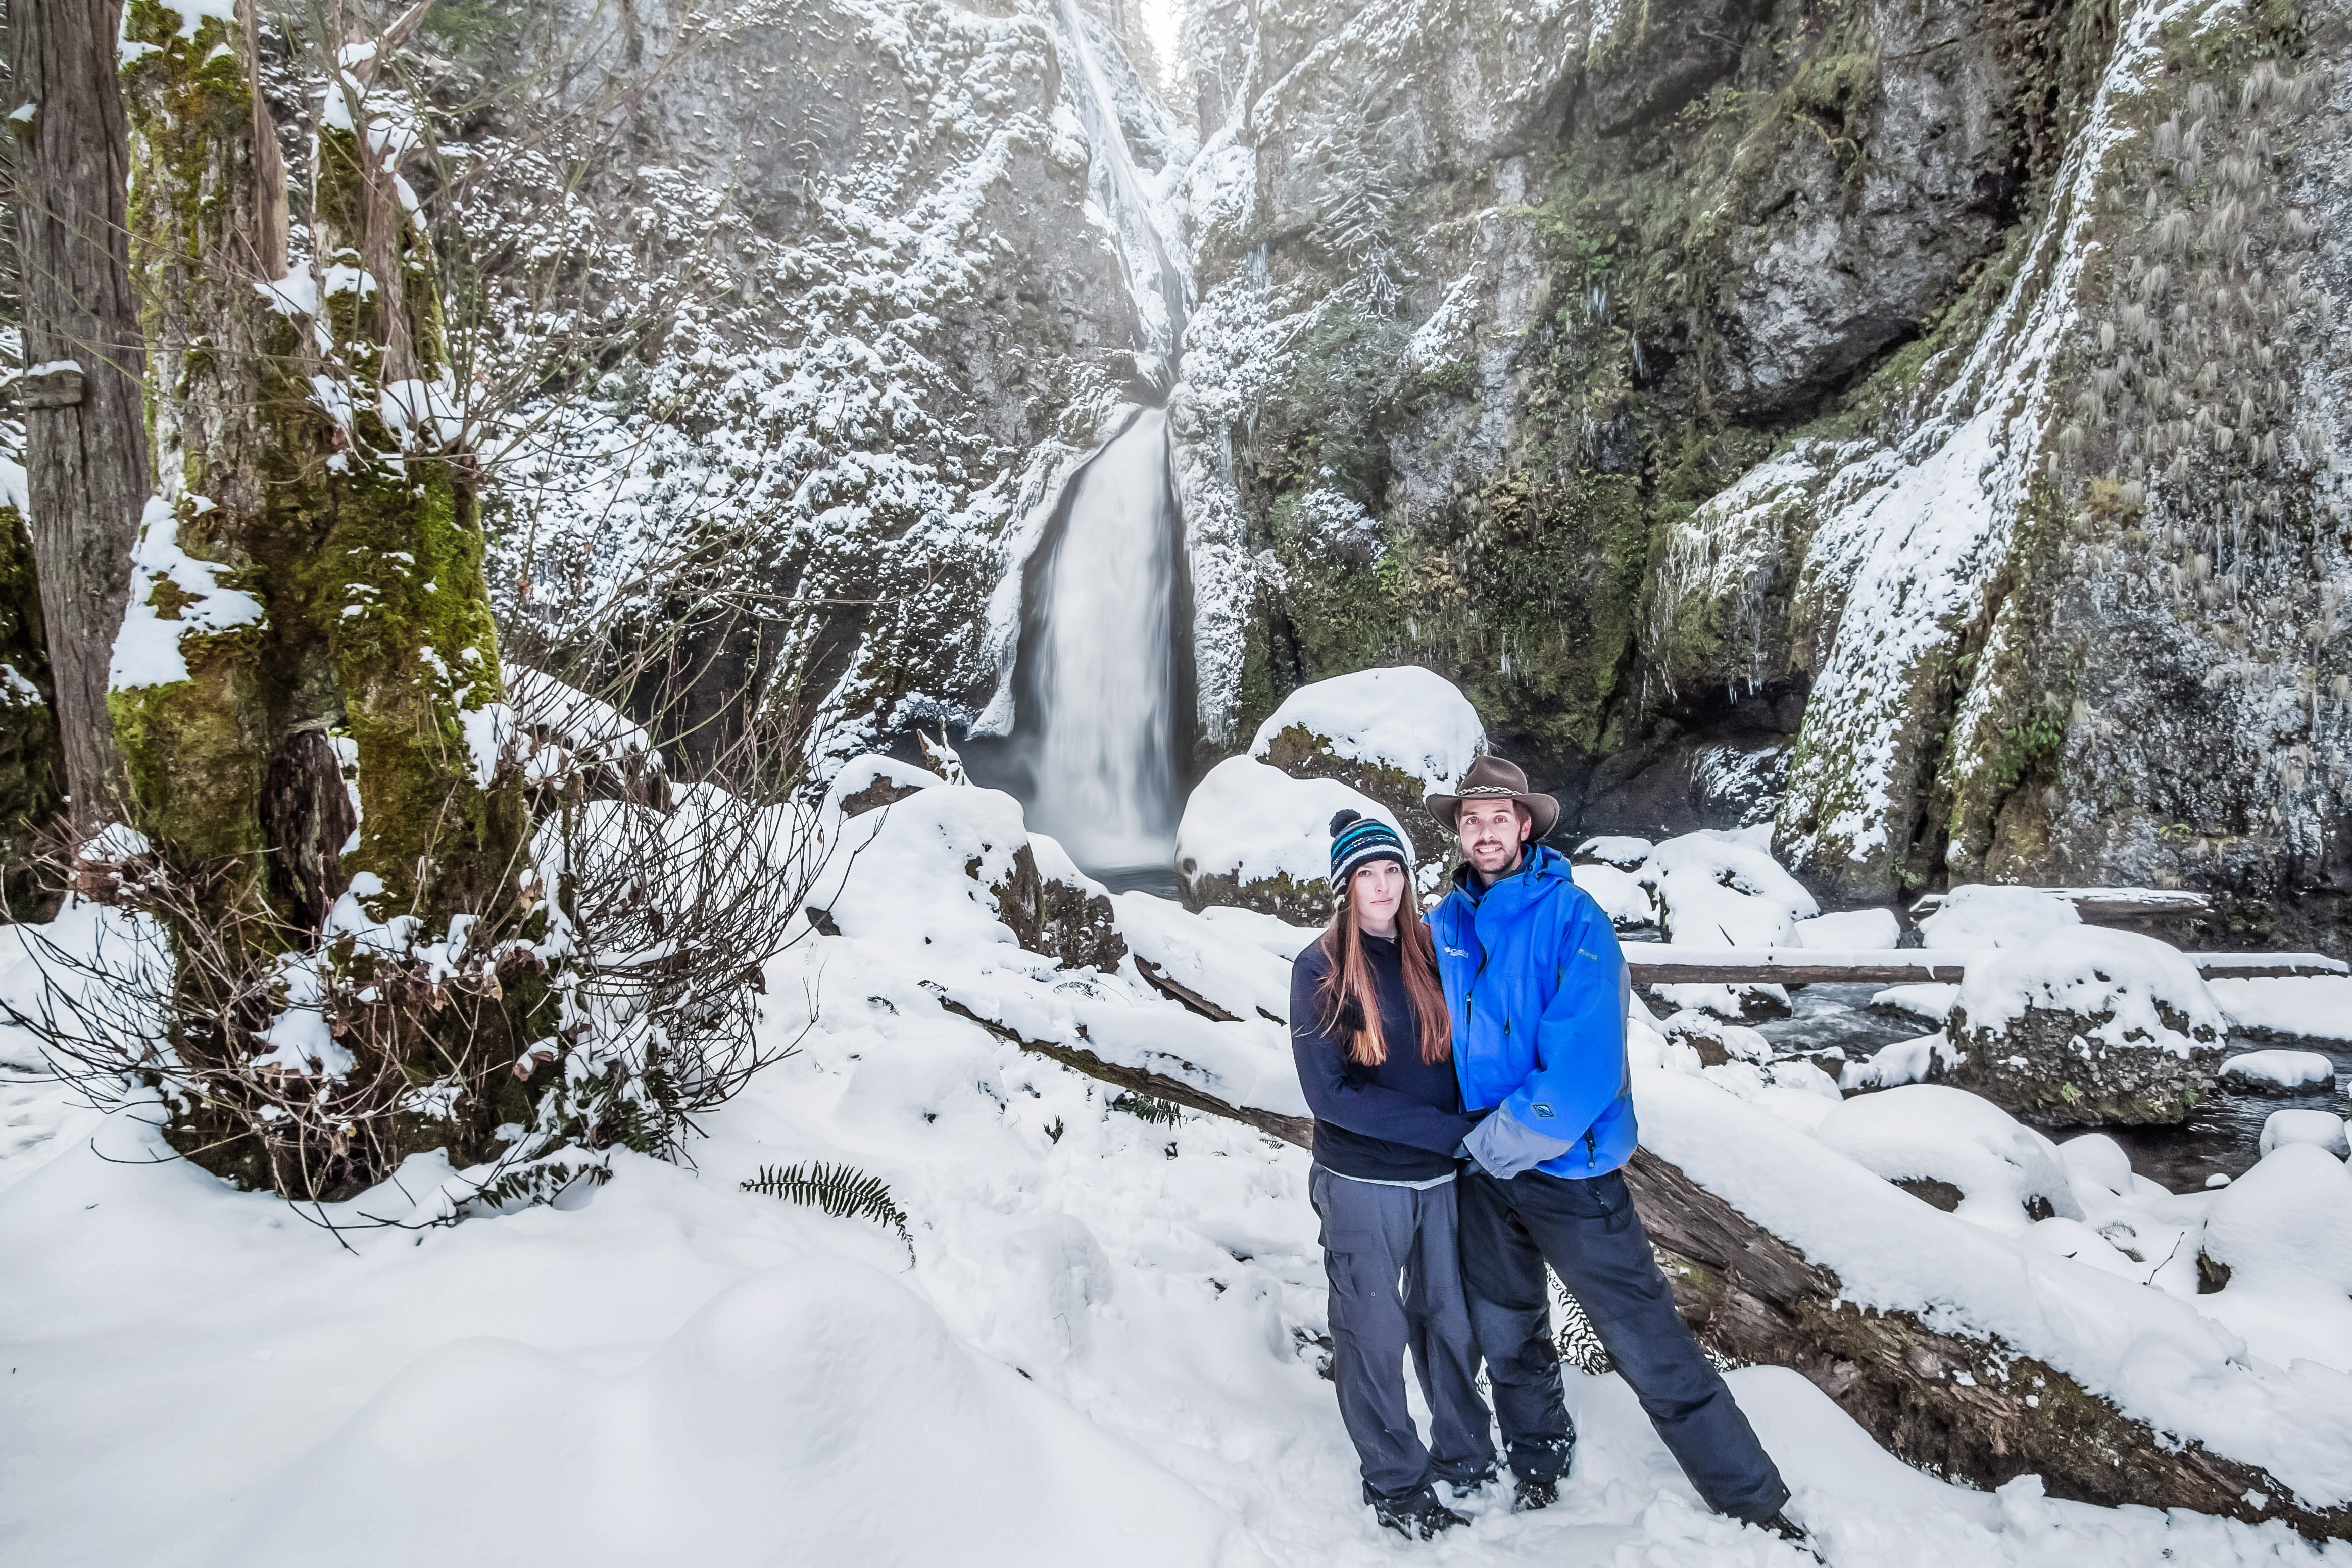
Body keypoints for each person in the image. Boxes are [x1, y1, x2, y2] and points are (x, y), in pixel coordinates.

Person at [1424, 756, 1811, 1547]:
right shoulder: (1446, 925)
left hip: (1570, 1174)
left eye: (1500, 817)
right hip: (1486, 1178)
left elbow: (1585, 1066)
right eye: (1472, 818)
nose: (1486, 830)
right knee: (1510, 1332)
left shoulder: (1575, 918)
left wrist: (1490, 1143)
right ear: (1460, 832)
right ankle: (1541, 1467)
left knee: (1646, 1342)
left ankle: (1754, 1504)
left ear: (1525, 826)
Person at [1289, 809, 1496, 1541]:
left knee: (1450, 1326)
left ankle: (1466, 1454)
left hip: (1442, 1185)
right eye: (1366, 875)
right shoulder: (1319, 968)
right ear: (1346, 886)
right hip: (1364, 1184)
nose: (1381, 887)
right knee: (1371, 1334)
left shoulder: (1433, 951)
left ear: (1408, 879)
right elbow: (1331, 1097)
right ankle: (1397, 1482)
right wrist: (1455, 1137)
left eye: (1392, 871)